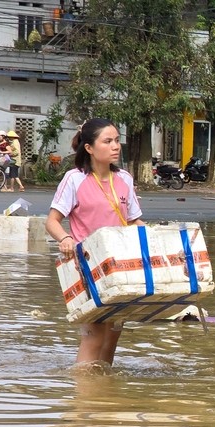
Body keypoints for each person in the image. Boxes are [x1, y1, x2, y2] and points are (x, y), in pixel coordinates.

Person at [44, 118, 144, 367]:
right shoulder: (74, 179)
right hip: (87, 268)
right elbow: (52, 221)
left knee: (113, 334)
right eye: (107, 141)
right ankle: (83, 398)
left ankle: (103, 395)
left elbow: (135, 222)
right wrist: (66, 238)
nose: (116, 147)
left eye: (117, 141)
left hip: (120, 269)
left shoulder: (124, 179)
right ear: (89, 148)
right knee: (94, 334)